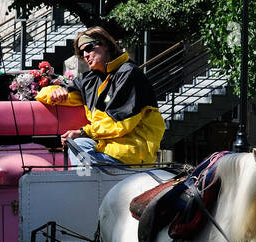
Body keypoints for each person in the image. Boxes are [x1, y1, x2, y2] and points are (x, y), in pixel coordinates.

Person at [39, 27, 165, 167]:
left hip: (130, 156)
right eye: (82, 52)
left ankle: (85, 185)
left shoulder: (129, 73)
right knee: (77, 145)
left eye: (89, 48)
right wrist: (55, 91)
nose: (85, 55)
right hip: (106, 149)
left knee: (78, 145)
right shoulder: (90, 79)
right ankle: (85, 183)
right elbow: (43, 95)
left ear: (106, 44)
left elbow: (119, 123)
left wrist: (82, 132)